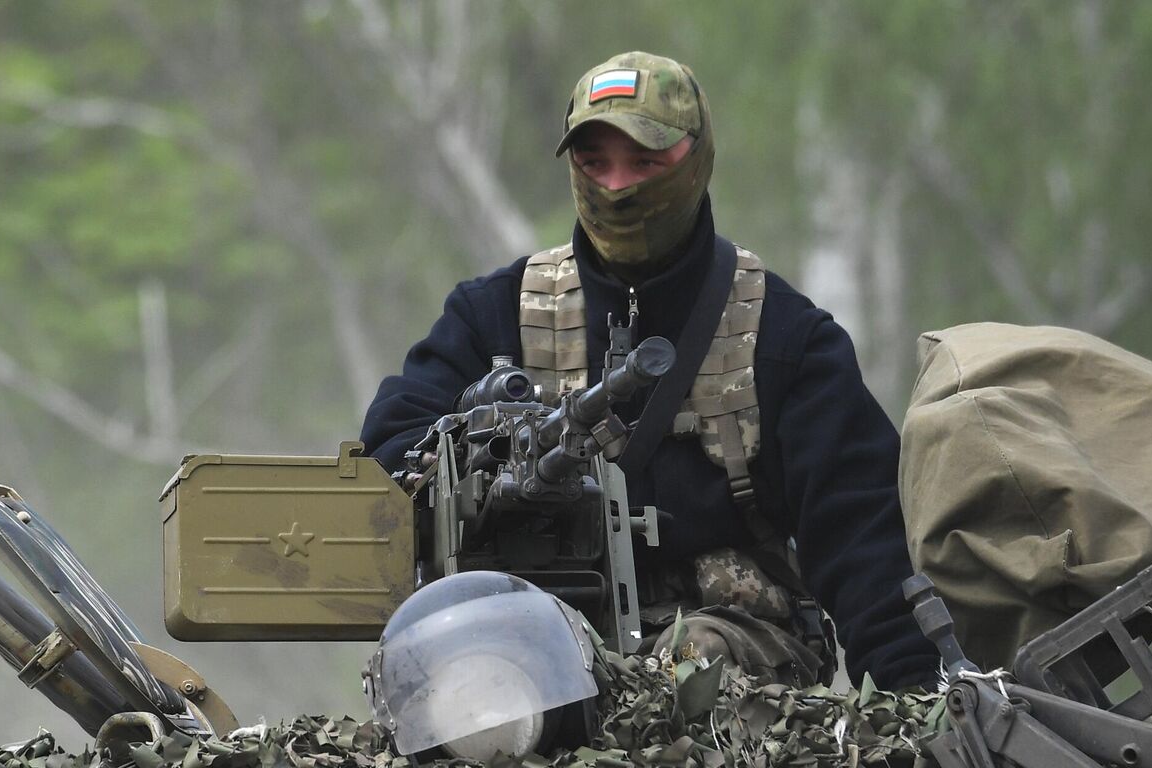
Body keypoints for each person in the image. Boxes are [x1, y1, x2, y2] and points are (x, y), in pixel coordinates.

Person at [359, 51, 937, 690]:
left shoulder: (783, 337)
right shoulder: (493, 315)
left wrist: (913, 697)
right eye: (595, 162)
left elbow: (864, 538)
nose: (617, 186)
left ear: (698, 159)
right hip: (523, 650)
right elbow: (390, 452)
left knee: (694, 663)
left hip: (728, 651)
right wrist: (484, 461)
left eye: (645, 162)